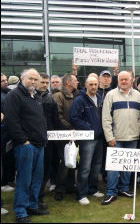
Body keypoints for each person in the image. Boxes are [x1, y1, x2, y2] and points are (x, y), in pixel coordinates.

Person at [4, 68, 49, 223]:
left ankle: (32, 205)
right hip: (25, 146)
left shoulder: (36, 96)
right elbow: (11, 121)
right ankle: (21, 212)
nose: (34, 82)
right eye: (31, 78)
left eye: (36, 79)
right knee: (24, 179)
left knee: (37, 178)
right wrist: (23, 140)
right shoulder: (14, 96)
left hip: (39, 144)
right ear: (23, 79)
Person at [101, 71, 140, 205]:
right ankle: (111, 192)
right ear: (118, 81)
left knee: (128, 165)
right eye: (121, 80)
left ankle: (124, 188)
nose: (124, 82)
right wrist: (109, 137)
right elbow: (106, 118)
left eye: (126, 79)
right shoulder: (111, 95)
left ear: (131, 80)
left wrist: (139, 128)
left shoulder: (138, 96)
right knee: (113, 167)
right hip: (116, 138)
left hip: (133, 137)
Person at [70, 76, 105, 205]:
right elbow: (74, 118)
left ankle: (93, 189)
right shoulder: (80, 100)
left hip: (100, 137)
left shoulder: (101, 97)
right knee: (85, 167)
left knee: (96, 166)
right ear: (86, 85)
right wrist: (89, 128)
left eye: (95, 84)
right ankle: (81, 194)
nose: (93, 87)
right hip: (87, 138)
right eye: (91, 84)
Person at [36, 73, 62, 210]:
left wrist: (63, 133)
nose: (45, 85)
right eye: (43, 82)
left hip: (49, 139)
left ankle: (39, 198)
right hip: (33, 140)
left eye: (46, 82)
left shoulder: (50, 99)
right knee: (35, 171)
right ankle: (34, 197)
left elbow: (55, 120)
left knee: (46, 169)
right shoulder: (31, 97)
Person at [52, 73, 79, 201]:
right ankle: (59, 189)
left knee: (72, 160)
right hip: (63, 135)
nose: (78, 82)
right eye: (75, 80)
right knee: (65, 162)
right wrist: (70, 128)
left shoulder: (77, 95)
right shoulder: (58, 96)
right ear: (68, 82)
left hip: (75, 134)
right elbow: (58, 116)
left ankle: (70, 186)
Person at [1, 73, 16, 193]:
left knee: (9, 156)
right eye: (2, 81)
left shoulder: (8, 93)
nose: (5, 82)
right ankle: (3, 182)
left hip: (9, 130)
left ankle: (9, 179)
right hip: (3, 130)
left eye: (6, 80)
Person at [97, 70, 113, 183]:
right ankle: (99, 174)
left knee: (109, 153)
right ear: (99, 78)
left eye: (108, 77)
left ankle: (107, 175)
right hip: (97, 128)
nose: (106, 79)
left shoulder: (113, 92)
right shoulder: (94, 91)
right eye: (104, 77)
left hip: (110, 128)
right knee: (99, 155)